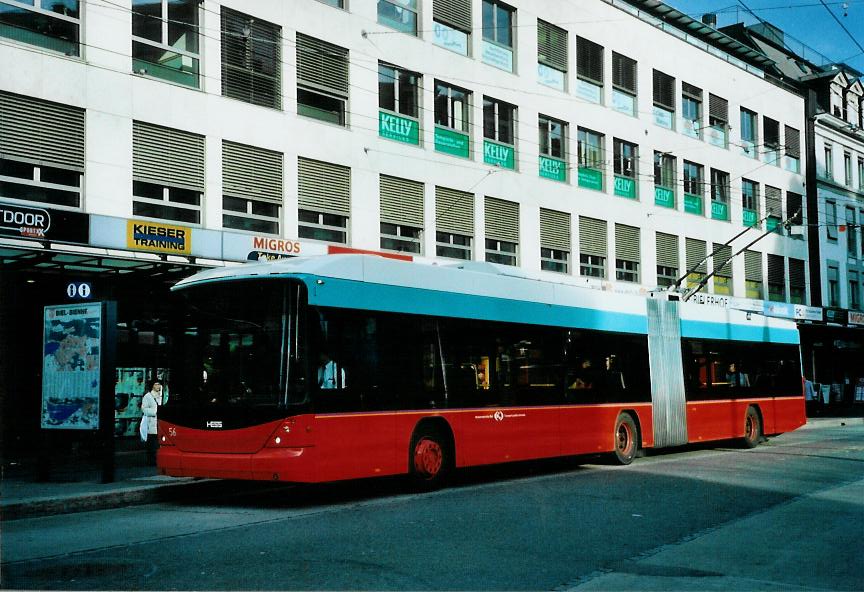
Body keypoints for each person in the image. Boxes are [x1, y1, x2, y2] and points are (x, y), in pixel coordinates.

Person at [140, 380, 164, 465]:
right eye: (156, 384)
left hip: (161, 423)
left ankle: (158, 459)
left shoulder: (163, 395)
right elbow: (144, 409)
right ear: (152, 386)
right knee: (152, 443)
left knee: (158, 443)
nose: (158, 386)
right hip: (152, 424)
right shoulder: (148, 396)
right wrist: (155, 411)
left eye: (159, 384)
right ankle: (151, 460)